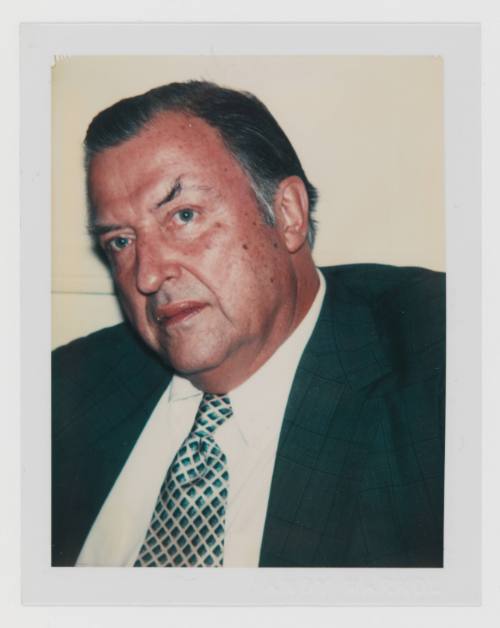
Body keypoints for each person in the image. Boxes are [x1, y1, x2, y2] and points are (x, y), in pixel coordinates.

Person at [52, 81, 445, 568]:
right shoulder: (60, 389)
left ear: (287, 214)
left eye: (184, 215)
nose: (148, 275)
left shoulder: (441, 364)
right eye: (120, 241)